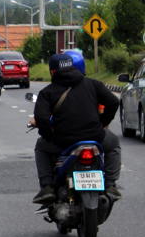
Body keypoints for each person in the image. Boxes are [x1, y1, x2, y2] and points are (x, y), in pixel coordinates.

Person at [31, 53, 122, 203]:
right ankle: (111, 184)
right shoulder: (94, 84)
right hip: (95, 137)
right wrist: (102, 122)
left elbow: (41, 118)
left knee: (41, 146)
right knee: (113, 143)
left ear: (53, 72)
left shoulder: (47, 92)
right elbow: (113, 102)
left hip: (63, 141)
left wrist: (49, 135)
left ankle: (47, 186)